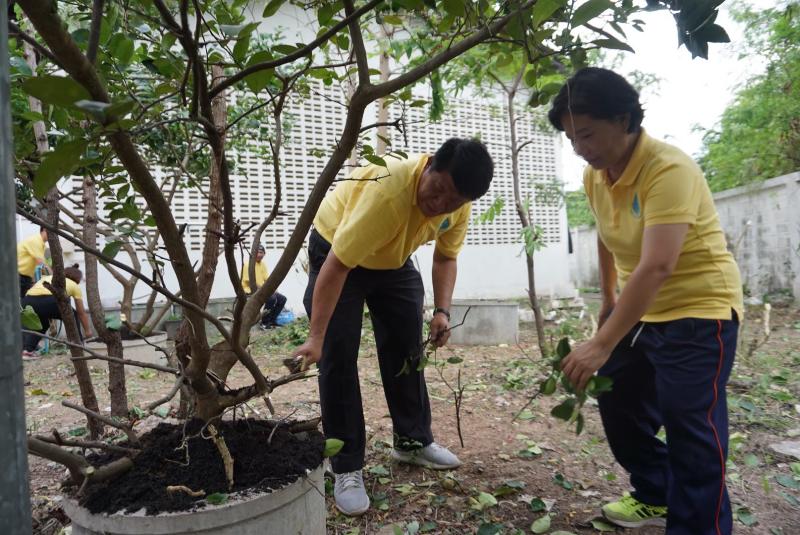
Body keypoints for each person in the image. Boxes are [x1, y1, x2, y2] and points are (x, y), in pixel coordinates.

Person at [548, 67, 743, 534]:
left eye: (588, 134)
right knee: (616, 400)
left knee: (691, 430)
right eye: (572, 138)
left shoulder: (668, 169)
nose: (580, 147)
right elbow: (605, 231)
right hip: (642, 309)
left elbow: (658, 264)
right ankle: (656, 494)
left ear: (625, 120)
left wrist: (600, 343)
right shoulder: (596, 175)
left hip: (699, 311)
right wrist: (609, 295)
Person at [292, 138, 494, 516]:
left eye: (451, 201)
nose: (439, 205)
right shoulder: (388, 192)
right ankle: (347, 466)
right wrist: (316, 338)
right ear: (429, 164)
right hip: (338, 246)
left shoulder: (455, 206)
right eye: (437, 191)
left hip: (391, 256)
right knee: (337, 354)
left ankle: (412, 441)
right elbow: (337, 267)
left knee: (406, 348)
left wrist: (443, 311)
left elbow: (446, 257)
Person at [21, 264, 92, 360]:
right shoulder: (74, 285)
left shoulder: (49, 277)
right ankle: (78, 345)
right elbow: (81, 312)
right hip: (49, 300)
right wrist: (88, 331)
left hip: (28, 301)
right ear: (77, 279)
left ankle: (27, 351)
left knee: (42, 324)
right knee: (73, 315)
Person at [241, 245, 287, 329]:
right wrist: (266, 290)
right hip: (250, 290)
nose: (259, 254)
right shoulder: (248, 265)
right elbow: (251, 282)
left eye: (261, 252)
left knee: (282, 299)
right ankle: (264, 322)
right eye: (257, 252)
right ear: (253, 254)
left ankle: (272, 321)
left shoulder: (263, 265)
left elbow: (267, 280)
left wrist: (274, 289)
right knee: (271, 298)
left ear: (264, 254)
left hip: (262, 290)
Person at [17, 227, 48, 299]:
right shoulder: (36, 240)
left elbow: (35, 264)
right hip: (18, 275)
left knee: (22, 302)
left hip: (25, 276)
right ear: (44, 229)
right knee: (19, 302)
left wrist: (33, 281)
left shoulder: (42, 244)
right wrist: (53, 276)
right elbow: (41, 262)